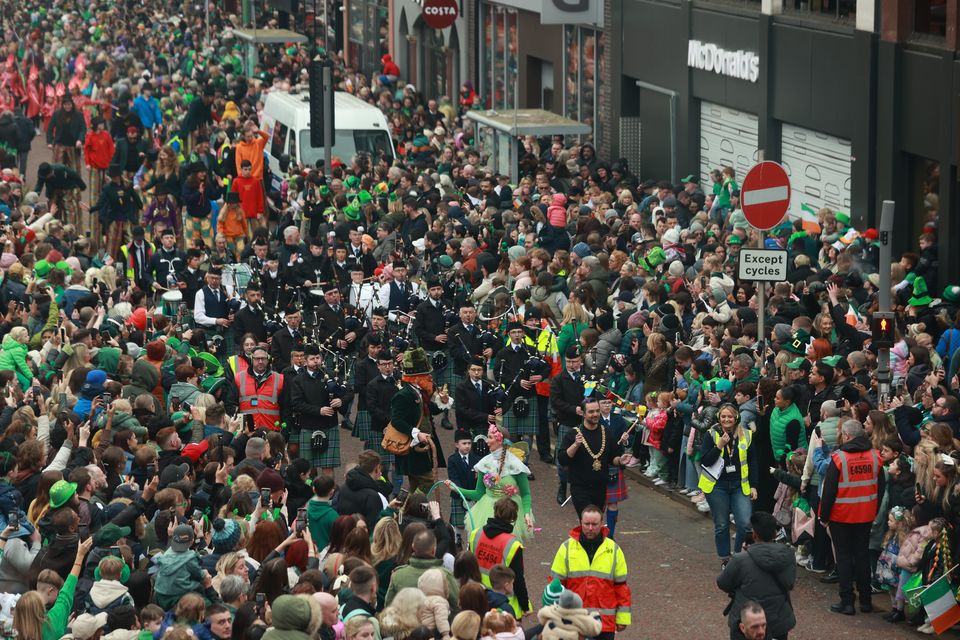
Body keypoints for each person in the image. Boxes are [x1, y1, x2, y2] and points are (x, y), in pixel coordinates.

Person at [817, 419, 884, 616]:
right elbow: (881, 488)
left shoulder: (839, 459)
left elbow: (829, 492)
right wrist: (874, 509)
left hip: (841, 516)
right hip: (866, 514)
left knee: (844, 558)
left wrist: (824, 516)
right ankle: (866, 601)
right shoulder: (875, 456)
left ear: (846, 436)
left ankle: (847, 601)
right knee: (862, 556)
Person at [549, 505, 631, 639]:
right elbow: (555, 586)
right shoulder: (566, 548)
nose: (590, 528)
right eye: (587, 524)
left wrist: (623, 617)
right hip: (574, 621)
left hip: (603, 624)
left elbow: (621, 587)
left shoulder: (614, 550)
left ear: (602, 523)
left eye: (594, 524)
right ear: (581, 523)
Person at [717, 512, 796, 640]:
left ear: (754, 534)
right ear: (775, 534)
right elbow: (789, 583)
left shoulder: (741, 559)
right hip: (778, 621)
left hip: (749, 623)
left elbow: (723, 583)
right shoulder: (788, 556)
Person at [699, 403, 759, 563]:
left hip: (740, 485)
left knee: (745, 523)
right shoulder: (711, 434)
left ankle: (738, 556)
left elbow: (753, 462)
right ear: (719, 418)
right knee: (722, 524)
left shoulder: (747, 434)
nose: (727, 419)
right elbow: (705, 461)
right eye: (724, 416)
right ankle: (725, 558)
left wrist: (753, 485)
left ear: (736, 418)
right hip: (717, 486)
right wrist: (719, 446)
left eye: (730, 416)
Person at [388, 348, 451, 493]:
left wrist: (444, 402)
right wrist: (416, 433)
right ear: (416, 378)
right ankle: (426, 513)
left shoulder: (422, 392)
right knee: (427, 485)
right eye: (426, 375)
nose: (430, 377)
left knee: (415, 488)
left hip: (426, 446)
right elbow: (397, 421)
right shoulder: (403, 395)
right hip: (413, 448)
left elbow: (431, 410)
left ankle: (406, 512)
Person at [557, 399, 631, 517]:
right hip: (580, 487)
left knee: (597, 522)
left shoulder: (606, 432)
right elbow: (562, 459)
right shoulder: (573, 434)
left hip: (600, 486)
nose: (595, 414)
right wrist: (575, 445)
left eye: (597, 411)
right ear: (583, 413)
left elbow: (613, 456)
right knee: (588, 520)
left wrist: (620, 460)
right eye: (591, 412)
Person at [465, 497, 530, 620]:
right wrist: (525, 605)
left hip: (478, 595)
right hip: (503, 602)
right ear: (513, 519)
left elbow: (469, 564)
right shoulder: (513, 544)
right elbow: (518, 579)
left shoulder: (475, 534)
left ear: (495, 513)